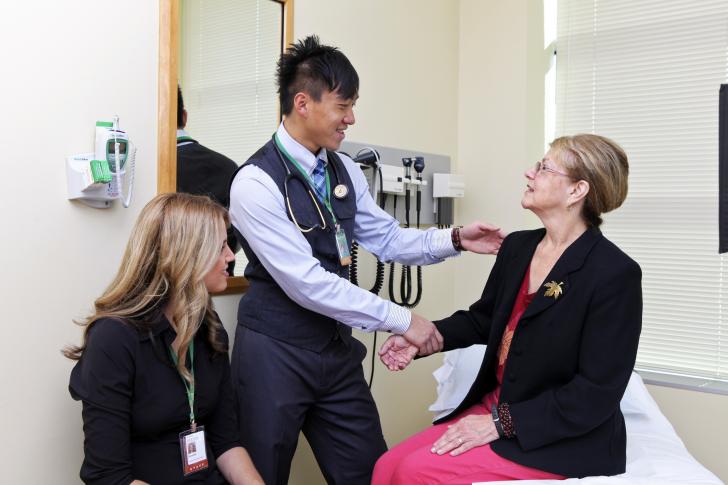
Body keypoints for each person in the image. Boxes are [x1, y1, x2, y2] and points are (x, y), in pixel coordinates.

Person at [227, 35, 506, 485]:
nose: (351, 119)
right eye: (343, 106)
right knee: (261, 474)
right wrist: (402, 320)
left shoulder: (345, 169)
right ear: (303, 103)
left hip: (334, 352)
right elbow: (307, 282)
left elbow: (388, 238)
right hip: (274, 354)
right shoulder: (254, 183)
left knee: (370, 471)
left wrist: (455, 238)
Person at [375, 134, 642, 483]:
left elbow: (595, 393)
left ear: (577, 191)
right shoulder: (518, 247)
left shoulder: (613, 273)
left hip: (555, 435)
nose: (529, 173)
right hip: (497, 405)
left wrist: (500, 424)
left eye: (544, 168)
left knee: (415, 472)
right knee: (386, 465)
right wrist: (425, 337)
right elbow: (484, 319)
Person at [65, 193, 263, 485]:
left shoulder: (207, 326)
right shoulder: (113, 339)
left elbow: (227, 442)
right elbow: (108, 476)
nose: (230, 257)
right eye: (221, 247)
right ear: (187, 255)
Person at [177, 86, 240, 274]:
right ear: (185, 117)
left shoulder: (154, 168)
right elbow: (237, 237)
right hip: (223, 279)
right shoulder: (229, 167)